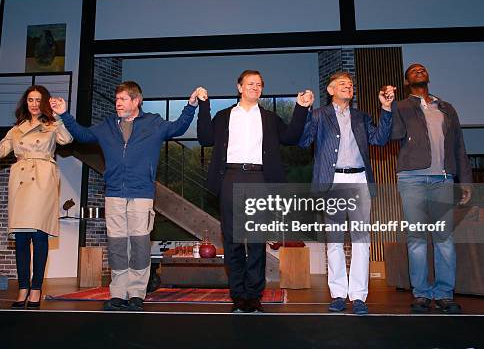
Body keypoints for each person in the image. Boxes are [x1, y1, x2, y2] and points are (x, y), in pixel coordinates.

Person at [51, 81, 202, 311]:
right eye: (116, 100)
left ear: (136, 101)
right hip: (114, 194)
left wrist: (191, 106)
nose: (117, 104)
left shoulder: (153, 123)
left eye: (122, 99)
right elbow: (82, 134)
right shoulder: (107, 126)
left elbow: (178, 128)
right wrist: (64, 115)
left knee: (140, 245)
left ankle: (136, 294)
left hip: (141, 194)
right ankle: (118, 293)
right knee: (117, 246)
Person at [197, 70, 313, 313]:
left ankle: (254, 295)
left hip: (261, 178)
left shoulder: (269, 118)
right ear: (239, 87)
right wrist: (204, 106)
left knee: (257, 240)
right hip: (230, 177)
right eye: (250, 84)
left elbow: (291, 137)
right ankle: (238, 295)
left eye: (259, 85)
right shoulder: (224, 116)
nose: (255, 87)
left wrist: (301, 108)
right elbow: (205, 137)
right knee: (233, 240)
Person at [298, 71, 394, 315]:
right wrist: (304, 111)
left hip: (359, 179)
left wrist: (386, 109)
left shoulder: (361, 117)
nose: (348, 87)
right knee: (335, 241)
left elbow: (381, 140)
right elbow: (303, 140)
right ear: (330, 90)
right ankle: (338, 294)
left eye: (351, 85)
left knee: (362, 240)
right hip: (333, 182)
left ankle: (359, 296)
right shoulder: (319, 115)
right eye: (342, 84)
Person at [0, 85, 73, 309]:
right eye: (30, 100)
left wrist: (60, 117)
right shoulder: (16, 129)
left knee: (39, 236)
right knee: (20, 239)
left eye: (38, 100)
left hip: (43, 180)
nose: (34, 104)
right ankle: (22, 289)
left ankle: (36, 289)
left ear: (44, 102)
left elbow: (67, 140)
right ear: (25, 103)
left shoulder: (52, 124)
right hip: (20, 180)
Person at [392, 63, 472, 314]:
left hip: (443, 179)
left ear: (428, 77)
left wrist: (465, 181)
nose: (418, 71)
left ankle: (444, 294)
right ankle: (422, 294)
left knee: (444, 239)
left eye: (422, 69)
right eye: (413, 70)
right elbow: (393, 134)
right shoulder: (402, 106)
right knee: (416, 239)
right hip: (412, 179)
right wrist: (389, 106)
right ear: (407, 81)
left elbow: (459, 146)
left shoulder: (446, 108)